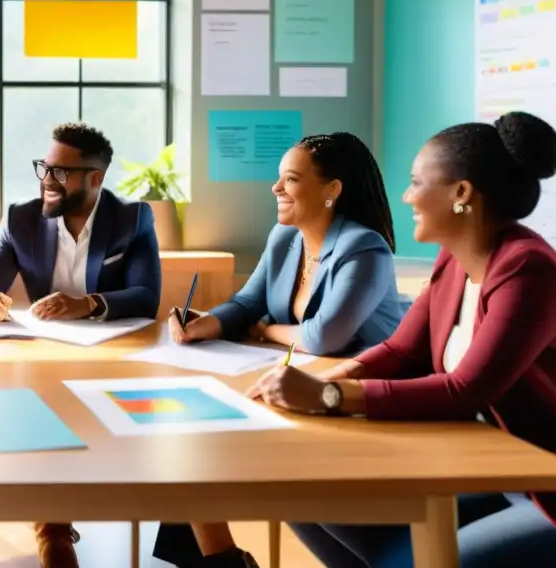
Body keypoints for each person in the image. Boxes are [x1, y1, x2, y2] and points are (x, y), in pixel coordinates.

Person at [245, 112, 556, 567]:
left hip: (540, 486)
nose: (406, 195)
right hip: (486, 468)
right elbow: (401, 350)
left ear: (461, 194)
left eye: (415, 182)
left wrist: (329, 395)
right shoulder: (454, 261)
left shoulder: (528, 269)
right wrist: (317, 383)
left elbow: (464, 390)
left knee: (428, 560)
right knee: (297, 488)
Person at [154, 132, 407, 568]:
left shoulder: (365, 247)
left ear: (332, 190)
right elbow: (248, 303)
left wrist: (267, 332)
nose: (275, 189)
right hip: (302, 385)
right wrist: (206, 323)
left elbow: (326, 336)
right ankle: (216, 558)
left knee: (213, 440)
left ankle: (216, 559)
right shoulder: (285, 237)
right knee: (191, 426)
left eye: (290, 179)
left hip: (354, 397)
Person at [0, 122, 161, 568]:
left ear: (95, 178)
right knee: (28, 407)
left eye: (61, 172)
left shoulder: (132, 218)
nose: (47, 180)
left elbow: (147, 297)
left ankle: (59, 525)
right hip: (41, 356)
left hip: (111, 361)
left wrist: (87, 303)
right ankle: (52, 529)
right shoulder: (21, 217)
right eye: (44, 168)